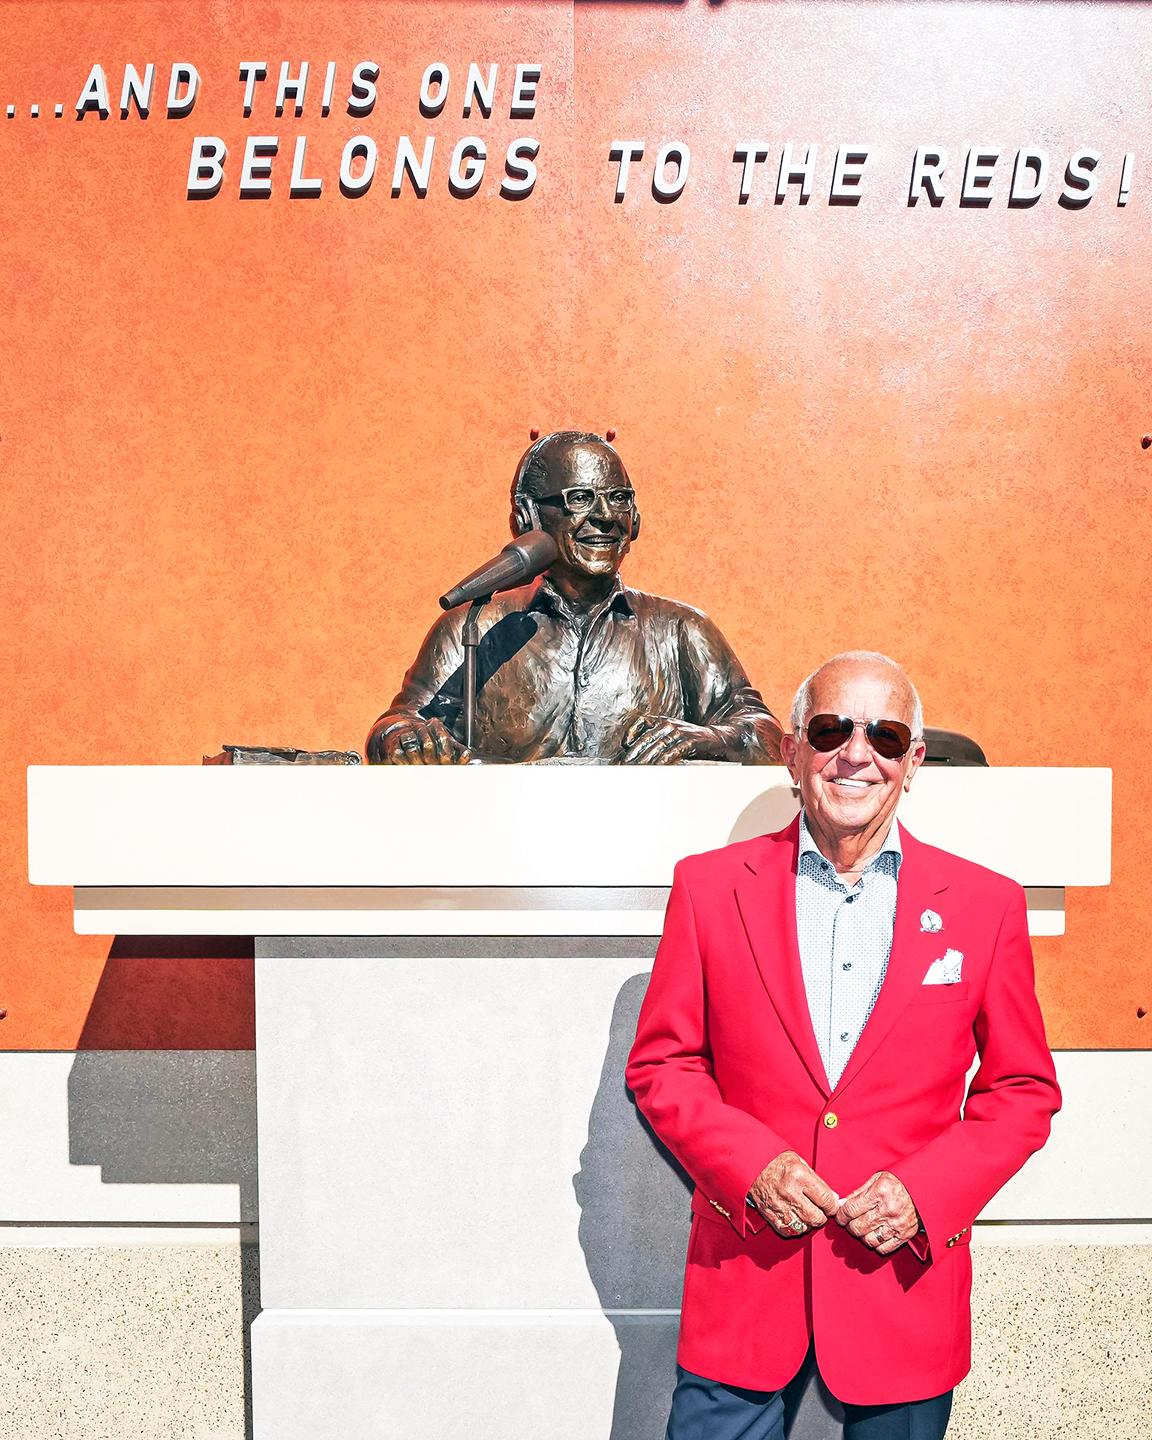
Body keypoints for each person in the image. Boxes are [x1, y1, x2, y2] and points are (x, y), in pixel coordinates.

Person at [626, 651, 1061, 1440]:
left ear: (913, 761)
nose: (856, 754)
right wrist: (748, 1165)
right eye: (831, 729)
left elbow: (1022, 1091)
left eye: (885, 736)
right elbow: (662, 1063)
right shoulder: (708, 888)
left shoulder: (985, 906)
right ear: (794, 752)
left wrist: (925, 1195)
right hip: (745, 1284)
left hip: (900, 1293)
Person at [365, 431, 782, 764]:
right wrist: (406, 738)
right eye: (580, 499)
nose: (604, 516)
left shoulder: (681, 630)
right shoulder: (474, 626)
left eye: (619, 499)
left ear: (634, 520)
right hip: (500, 855)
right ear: (527, 517)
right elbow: (397, 726)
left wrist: (705, 739)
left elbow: (765, 735)